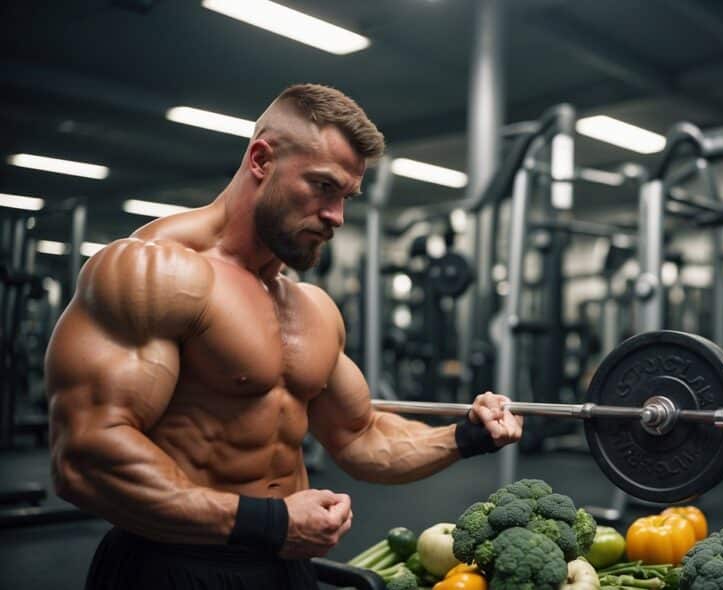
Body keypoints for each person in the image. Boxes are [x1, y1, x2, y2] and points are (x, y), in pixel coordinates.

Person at [45, 83, 523, 590]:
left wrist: (464, 435)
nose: (336, 216)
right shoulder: (155, 271)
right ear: (260, 159)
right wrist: (270, 523)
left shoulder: (310, 306)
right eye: (322, 187)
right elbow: (86, 457)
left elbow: (360, 435)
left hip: (285, 565)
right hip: (176, 565)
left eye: (346, 197)